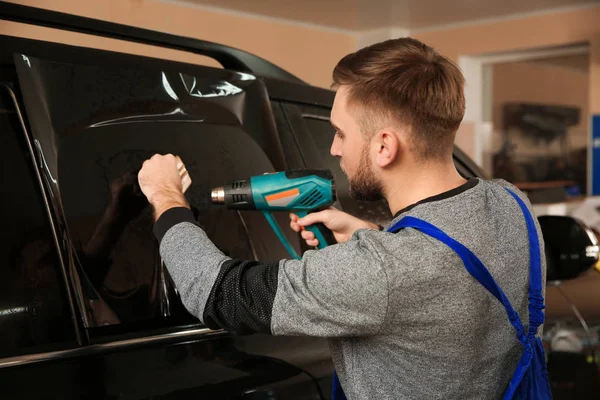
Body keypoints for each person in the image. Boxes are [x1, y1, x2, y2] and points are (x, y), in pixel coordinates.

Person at [138, 38, 551, 399]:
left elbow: (218, 293)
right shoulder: (510, 202)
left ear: (385, 146)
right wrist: (373, 234)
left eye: (340, 133)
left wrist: (166, 196)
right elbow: (440, 268)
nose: (335, 149)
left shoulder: (379, 272)